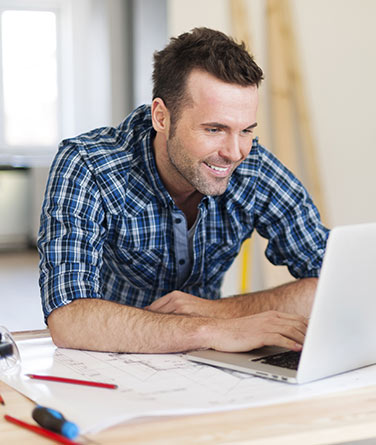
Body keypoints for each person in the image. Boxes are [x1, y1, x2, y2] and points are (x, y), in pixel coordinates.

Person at [38, 27, 329, 354]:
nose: (234, 152)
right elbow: (69, 318)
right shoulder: (88, 165)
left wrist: (218, 312)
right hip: (111, 357)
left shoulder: (254, 167)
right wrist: (212, 330)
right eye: (214, 129)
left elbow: (334, 280)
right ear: (161, 117)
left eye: (245, 130)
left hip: (208, 364)